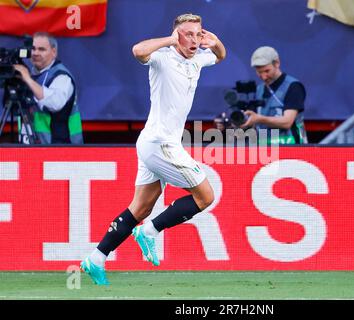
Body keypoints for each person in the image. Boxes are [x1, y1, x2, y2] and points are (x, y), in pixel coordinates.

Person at [80, 13, 226, 285]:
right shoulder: (162, 57)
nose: (194, 39)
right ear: (176, 35)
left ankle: (96, 257)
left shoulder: (197, 58)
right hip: (161, 144)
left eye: (198, 33)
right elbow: (138, 51)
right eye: (188, 34)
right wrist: (170, 40)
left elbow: (220, 56)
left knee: (141, 207)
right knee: (205, 196)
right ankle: (150, 232)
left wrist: (215, 42)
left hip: (154, 142)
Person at [13, 32, 83, 144]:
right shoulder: (29, 74)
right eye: (33, 48)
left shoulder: (62, 76)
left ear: (54, 52)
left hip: (60, 150)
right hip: (32, 148)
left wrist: (28, 80)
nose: (35, 53)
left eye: (42, 49)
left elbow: (54, 104)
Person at [241, 46, 308, 145]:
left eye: (267, 71)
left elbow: (287, 122)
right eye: (259, 72)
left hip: (292, 148)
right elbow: (253, 122)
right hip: (266, 151)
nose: (263, 76)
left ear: (277, 63)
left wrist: (259, 119)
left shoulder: (293, 86)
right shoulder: (259, 89)